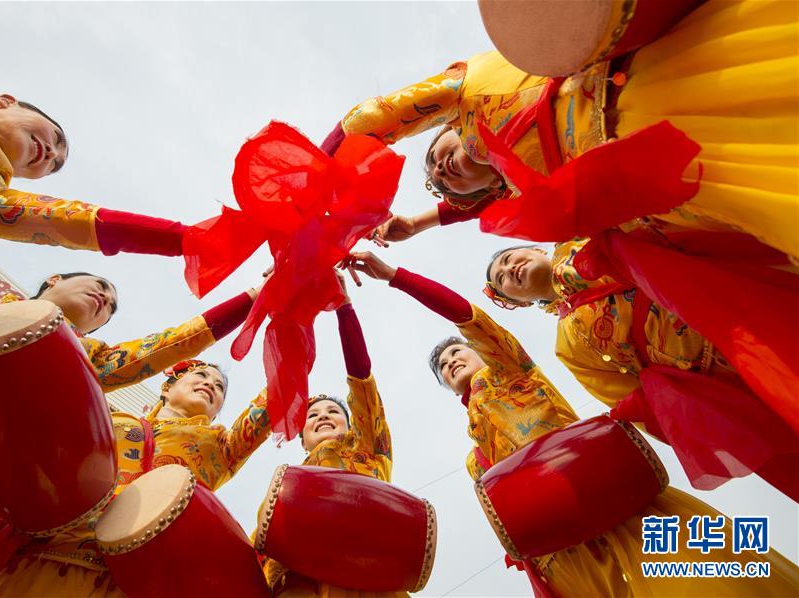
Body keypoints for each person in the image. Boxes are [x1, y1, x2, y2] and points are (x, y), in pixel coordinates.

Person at [343, 251, 799, 597]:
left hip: (614, 502)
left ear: (483, 352)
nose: (451, 362)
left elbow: (467, 316)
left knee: (705, 580)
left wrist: (396, 277)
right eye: (443, 367)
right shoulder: (474, 459)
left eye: (457, 352)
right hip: (564, 555)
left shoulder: (514, 374)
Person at [332, 1, 797, 262]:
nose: (439, 170)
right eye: (442, 181)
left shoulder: (466, 90)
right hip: (674, 190)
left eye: (434, 156)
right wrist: (417, 225)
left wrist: (320, 179)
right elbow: (472, 211)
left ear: (447, 127)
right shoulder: (521, 194)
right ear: (487, 191)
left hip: (651, 89)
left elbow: (378, 118)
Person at [0, 272, 262, 596]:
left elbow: (170, 347)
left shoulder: (219, 446)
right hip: (32, 551)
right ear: (54, 279)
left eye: (219, 387)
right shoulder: (107, 415)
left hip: (122, 576)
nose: (105, 298)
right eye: (101, 287)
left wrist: (261, 300)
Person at [480, 240, 798, 499]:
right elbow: (636, 402)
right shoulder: (569, 346)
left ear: (537, 249)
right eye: (502, 279)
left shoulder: (583, 240)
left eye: (508, 259)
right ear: (519, 303)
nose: (509, 269)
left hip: (742, 316)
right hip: (727, 384)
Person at [0, 359, 271, 596]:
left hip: (131, 580)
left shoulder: (221, 446)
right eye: (201, 375)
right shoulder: (110, 421)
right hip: (46, 560)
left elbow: (270, 405)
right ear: (167, 387)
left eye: (219, 387)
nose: (210, 384)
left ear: (217, 411)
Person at [0, 28, 188, 258]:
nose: (52, 153)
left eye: (54, 165)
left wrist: (188, 239)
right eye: (56, 138)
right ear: (7, 101)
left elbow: (76, 220)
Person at [260, 274, 400, 597]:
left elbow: (362, 380)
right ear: (301, 439)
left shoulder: (368, 448)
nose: (322, 416)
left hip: (367, 580)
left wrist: (344, 308)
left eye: (333, 411)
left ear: (352, 426)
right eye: (311, 415)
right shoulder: (286, 483)